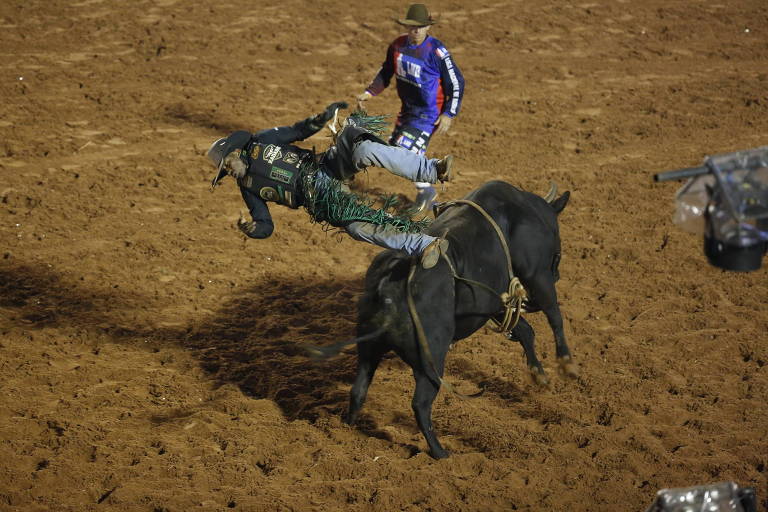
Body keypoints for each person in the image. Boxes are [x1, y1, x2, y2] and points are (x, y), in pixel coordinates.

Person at [207, 101, 453, 268]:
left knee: (363, 150)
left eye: (227, 162)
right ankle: (424, 244)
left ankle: (432, 169)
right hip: (322, 201)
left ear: (236, 151)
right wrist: (252, 230)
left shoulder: (262, 141)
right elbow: (265, 224)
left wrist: (321, 118)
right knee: (359, 228)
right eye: (225, 171)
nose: (229, 170)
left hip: (325, 165)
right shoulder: (248, 188)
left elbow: (297, 131)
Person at [357, 3, 465, 214]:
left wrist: (448, 113)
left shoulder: (437, 52)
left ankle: (430, 186)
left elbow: (457, 82)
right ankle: (429, 194)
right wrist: (369, 92)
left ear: (427, 27)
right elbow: (386, 71)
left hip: (429, 114)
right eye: (412, 27)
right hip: (407, 112)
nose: (416, 31)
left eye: (420, 27)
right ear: (406, 27)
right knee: (397, 152)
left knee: (406, 152)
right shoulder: (397, 47)